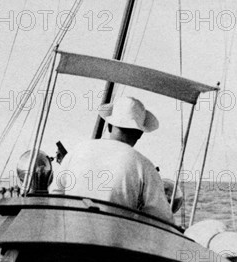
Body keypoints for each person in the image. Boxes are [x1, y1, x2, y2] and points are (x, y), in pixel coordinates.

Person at [52, 96, 174, 224]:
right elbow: (161, 219)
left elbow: (55, 195)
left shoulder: (76, 151)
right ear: (139, 134)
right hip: (115, 242)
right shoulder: (145, 166)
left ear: (109, 125)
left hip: (70, 238)